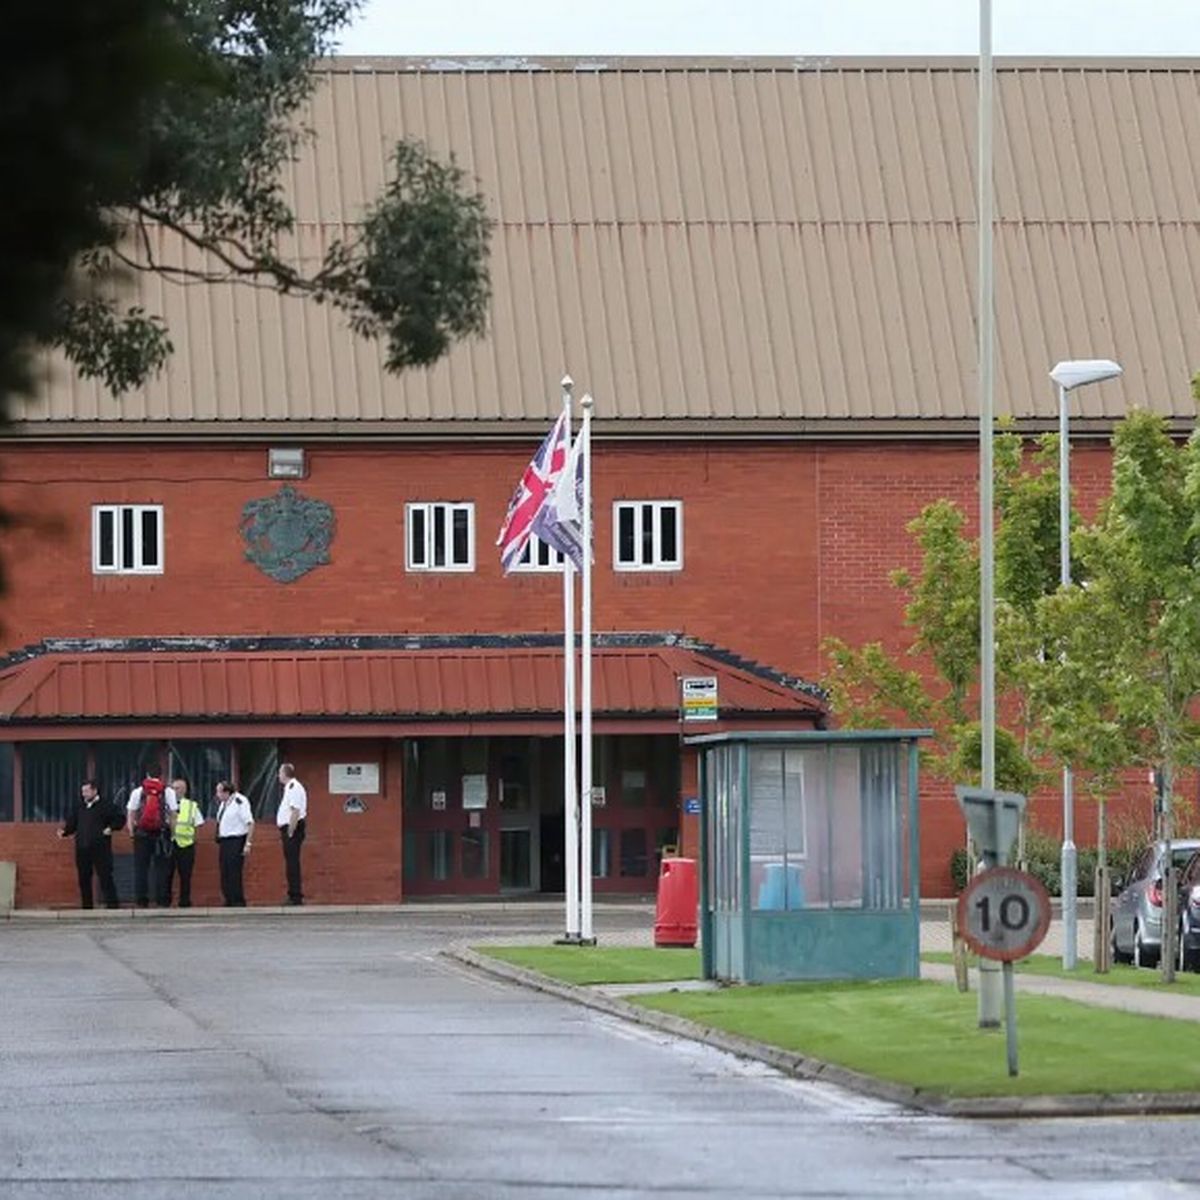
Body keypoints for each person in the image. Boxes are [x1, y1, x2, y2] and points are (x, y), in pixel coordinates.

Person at [58, 779, 122, 909]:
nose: (84, 794)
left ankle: (113, 906)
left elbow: (120, 819)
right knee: (84, 878)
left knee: (105, 876)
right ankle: (87, 907)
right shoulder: (79, 807)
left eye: (86, 791)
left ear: (94, 790)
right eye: (83, 791)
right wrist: (64, 832)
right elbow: (72, 824)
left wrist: (111, 828)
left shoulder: (106, 805)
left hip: (101, 848)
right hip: (82, 848)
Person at [125, 773, 179, 907]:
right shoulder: (168, 791)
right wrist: (172, 834)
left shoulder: (138, 791)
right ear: (161, 775)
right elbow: (173, 815)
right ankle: (162, 900)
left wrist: (132, 832)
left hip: (142, 834)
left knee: (141, 868)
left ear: (147, 774)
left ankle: (142, 901)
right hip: (161, 834)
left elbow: (131, 813)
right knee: (162, 868)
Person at [166, 777, 205, 908]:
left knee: (186, 875)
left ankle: (184, 902)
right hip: (168, 844)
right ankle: (165, 901)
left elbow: (199, 825)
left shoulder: (191, 805)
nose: (174, 791)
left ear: (184, 790)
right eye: (172, 788)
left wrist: (194, 840)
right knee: (166, 874)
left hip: (187, 844)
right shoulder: (165, 804)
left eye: (177, 788)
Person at [214, 781, 253, 907]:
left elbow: (250, 823)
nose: (217, 794)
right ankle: (229, 898)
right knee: (225, 871)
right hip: (224, 841)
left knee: (234, 871)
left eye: (219, 791)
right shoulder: (223, 804)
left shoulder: (239, 801)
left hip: (236, 840)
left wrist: (248, 843)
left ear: (226, 792)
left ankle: (237, 900)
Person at [276, 762, 308, 905]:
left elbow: (295, 810)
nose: (278, 775)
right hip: (290, 828)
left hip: (292, 828)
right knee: (290, 863)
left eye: (280, 772)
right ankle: (293, 894)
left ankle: (295, 896)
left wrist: (290, 831)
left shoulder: (294, 787)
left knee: (292, 863)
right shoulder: (289, 788)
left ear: (285, 773)